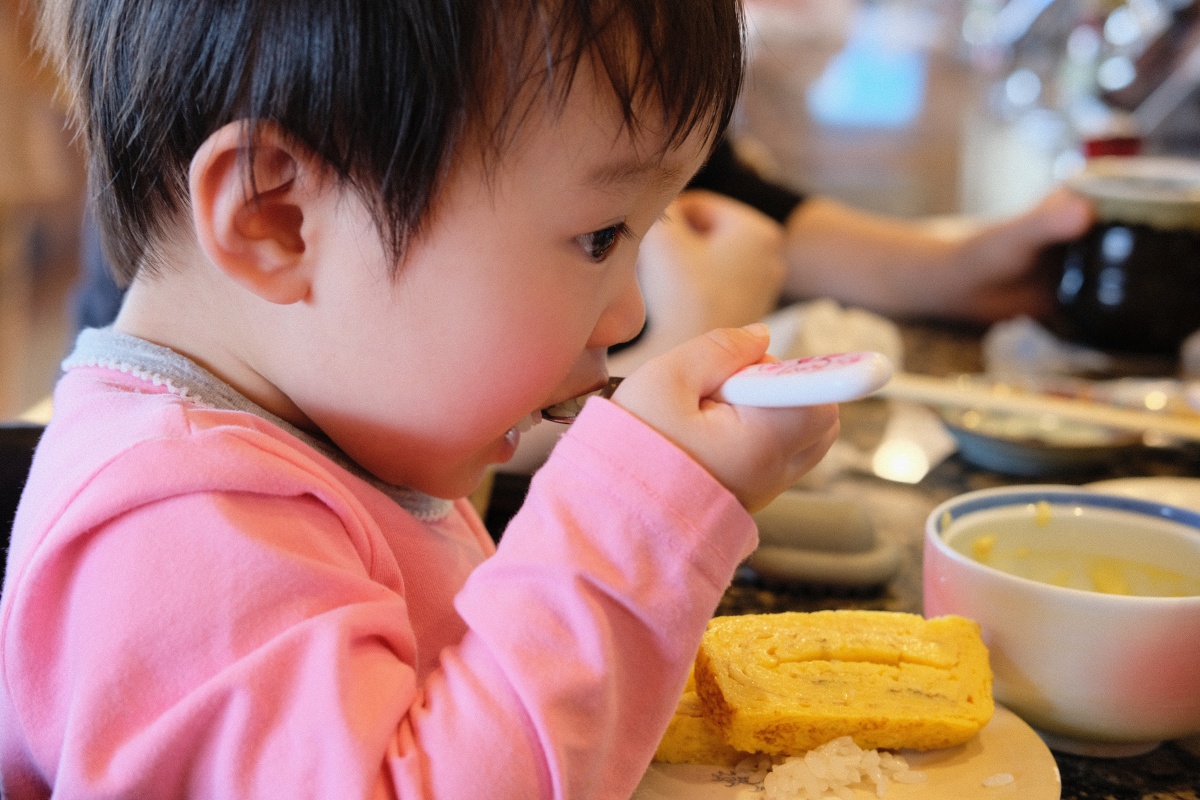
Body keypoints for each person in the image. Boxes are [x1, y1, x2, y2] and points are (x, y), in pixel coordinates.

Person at [0, 1, 842, 798]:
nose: (627, 315)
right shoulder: (176, 540)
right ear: (278, 216)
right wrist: (645, 519)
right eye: (598, 237)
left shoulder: (322, 428)